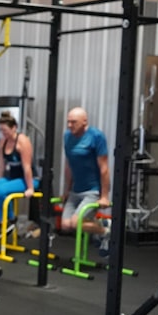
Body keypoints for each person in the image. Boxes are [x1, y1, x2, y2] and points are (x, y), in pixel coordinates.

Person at [62, 106, 111, 256]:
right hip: (76, 189)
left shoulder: (96, 136)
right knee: (65, 225)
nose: (70, 125)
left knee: (76, 223)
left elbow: (104, 168)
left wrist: (104, 196)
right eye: (68, 122)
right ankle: (100, 226)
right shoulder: (67, 136)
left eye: (74, 122)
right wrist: (66, 191)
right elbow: (69, 165)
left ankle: (106, 231)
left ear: (84, 122)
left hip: (93, 190)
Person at [0, 111, 38, 238]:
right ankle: (6, 221)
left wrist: (30, 188)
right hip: (13, 178)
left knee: (0, 191)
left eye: (5, 130)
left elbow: (27, 167)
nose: (3, 133)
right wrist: (0, 180)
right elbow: (1, 164)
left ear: (14, 128)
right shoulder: (3, 142)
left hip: (29, 179)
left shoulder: (23, 141)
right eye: (1, 130)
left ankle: (10, 219)